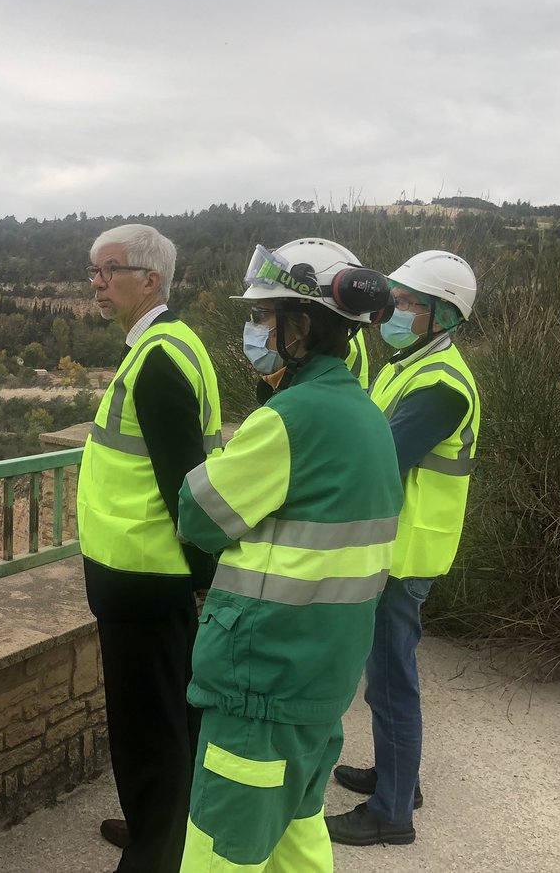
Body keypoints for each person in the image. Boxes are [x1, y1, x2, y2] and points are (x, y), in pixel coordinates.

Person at [176, 240, 403, 872]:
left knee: (221, 851)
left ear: (299, 328)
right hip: (321, 679)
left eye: (263, 316)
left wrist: (237, 444)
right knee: (296, 839)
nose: (255, 330)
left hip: (262, 680)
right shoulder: (367, 417)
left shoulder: (290, 418)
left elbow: (197, 514)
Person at [75, 223, 222, 872]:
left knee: (147, 736)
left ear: (149, 279)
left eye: (108, 270)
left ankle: (154, 855)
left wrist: (198, 576)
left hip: (146, 581)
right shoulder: (169, 344)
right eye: (93, 271)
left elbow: (183, 485)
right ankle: (155, 831)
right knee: (167, 725)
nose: (96, 282)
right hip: (143, 581)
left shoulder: (159, 358)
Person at [325, 250, 480, 848]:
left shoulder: (441, 386)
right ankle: (398, 776)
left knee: (391, 679)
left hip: (405, 553)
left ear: (442, 316)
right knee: (385, 672)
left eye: (406, 303)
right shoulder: (407, 363)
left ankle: (392, 811)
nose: (391, 311)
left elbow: (379, 460)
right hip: (394, 546)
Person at [247, 239, 372, 401]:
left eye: (261, 314)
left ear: (302, 325)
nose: (255, 324)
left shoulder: (282, 417)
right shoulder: (369, 411)